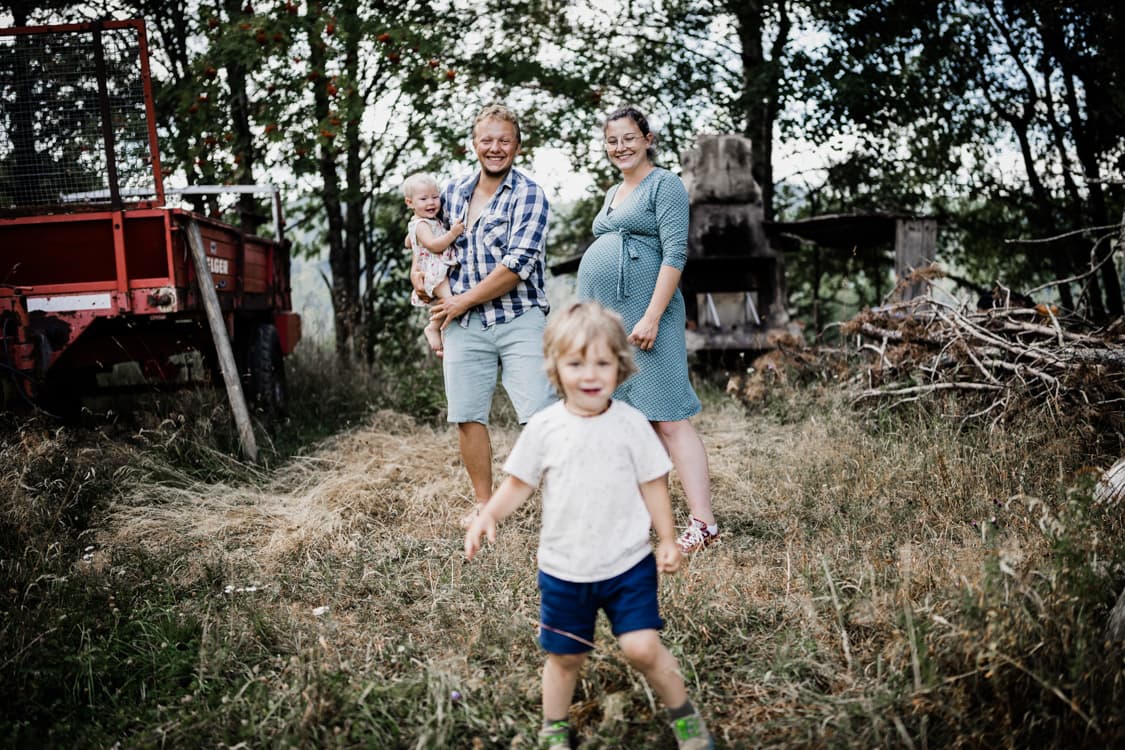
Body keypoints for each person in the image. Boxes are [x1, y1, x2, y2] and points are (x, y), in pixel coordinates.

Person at [464, 301, 715, 750]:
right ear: (555, 368)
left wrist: (667, 538)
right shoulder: (545, 427)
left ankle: (684, 716)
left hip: (627, 564)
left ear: (620, 367)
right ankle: (554, 728)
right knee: (566, 656)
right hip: (564, 569)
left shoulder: (631, 424)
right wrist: (488, 515)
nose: (590, 375)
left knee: (642, 647)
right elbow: (519, 483)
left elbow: (653, 484)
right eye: (576, 363)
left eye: (602, 363)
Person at [576, 106, 719, 553]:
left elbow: (675, 254)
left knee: (670, 418)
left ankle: (704, 523)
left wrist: (653, 315)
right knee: (630, 420)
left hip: (647, 317)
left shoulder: (665, 184)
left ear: (647, 139)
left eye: (628, 138)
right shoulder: (613, 192)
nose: (620, 147)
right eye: (612, 140)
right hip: (610, 321)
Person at [421, 104, 555, 525]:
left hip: (519, 316)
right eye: (487, 140)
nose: (495, 148)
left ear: (517, 146)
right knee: (466, 415)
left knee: (541, 416)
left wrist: (461, 300)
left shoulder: (529, 194)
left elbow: (517, 265)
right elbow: (428, 245)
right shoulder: (452, 192)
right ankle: (486, 506)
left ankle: (562, 504)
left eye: (504, 141)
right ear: (474, 144)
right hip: (463, 324)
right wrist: (423, 284)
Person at [404, 172, 464, 355]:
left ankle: (443, 338)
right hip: (434, 271)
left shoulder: (421, 221)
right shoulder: (422, 224)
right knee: (450, 302)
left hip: (437, 268)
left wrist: (414, 240)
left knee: (448, 303)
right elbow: (434, 246)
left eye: (435, 197)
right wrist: (453, 233)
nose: (431, 203)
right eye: (423, 199)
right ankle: (433, 327)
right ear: (410, 203)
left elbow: (408, 243)